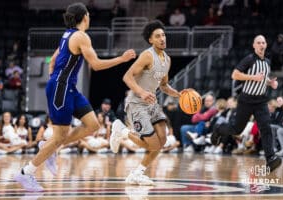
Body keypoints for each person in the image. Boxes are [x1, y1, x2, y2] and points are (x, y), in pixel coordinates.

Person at [14, 2, 135, 192]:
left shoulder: (67, 35)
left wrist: (55, 77)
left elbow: (53, 60)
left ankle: (51, 148)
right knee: (60, 135)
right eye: (88, 15)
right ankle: (25, 173)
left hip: (67, 87)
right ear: (85, 16)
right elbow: (95, 65)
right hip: (61, 89)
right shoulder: (81, 36)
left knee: (93, 125)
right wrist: (122, 59)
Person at [109, 20, 181, 185]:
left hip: (152, 104)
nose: (162, 38)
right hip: (136, 103)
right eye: (157, 36)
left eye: (163, 35)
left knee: (162, 140)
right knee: (153, 144)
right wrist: (141, 92)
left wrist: (176, 94)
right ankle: (121, 130)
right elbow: (127, 76)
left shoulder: (167, 60)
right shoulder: (147, 55)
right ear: (151, 40)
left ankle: (136, 174)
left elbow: (163, 85)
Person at [211, 35, 282, 172]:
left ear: (266, 45)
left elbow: (263, 78)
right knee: (236, 129)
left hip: (261, 100)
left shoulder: (267, 61)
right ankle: (219, 128)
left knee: (266, 128)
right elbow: (235, 74)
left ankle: (270, 158)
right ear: (254, 45)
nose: (261, 45)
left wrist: (270, 83)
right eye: (259, 42)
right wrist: (253, 77)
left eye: (263, 42)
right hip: (246, 100)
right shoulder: (249, 59)